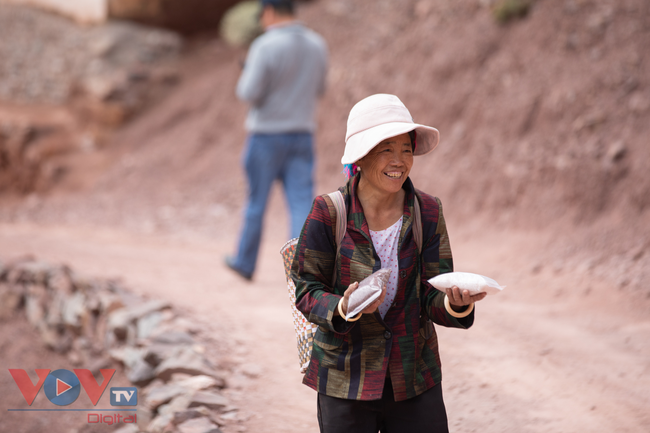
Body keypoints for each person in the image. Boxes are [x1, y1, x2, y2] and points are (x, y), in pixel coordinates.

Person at [291, 94, 487, 433]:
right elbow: (306, 290)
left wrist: (454, 304)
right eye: (386, 149)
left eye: (406, 149)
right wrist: (344, 307)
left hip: (413, 376)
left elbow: (432, 295)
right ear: (361, 156)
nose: (399, 161)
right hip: (345, 379)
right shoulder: (329, 211)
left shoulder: (428, 211)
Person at [226, 0, 328, 280]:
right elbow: (321, 87)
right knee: (300, 203)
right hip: (302, 134)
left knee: (256, 202)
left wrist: (247, 70)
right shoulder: (317, 44)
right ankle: (302, 271)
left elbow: (247, 92)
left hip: (266, 136)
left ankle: (245, 263)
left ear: (269, 12)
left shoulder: (264, 46)